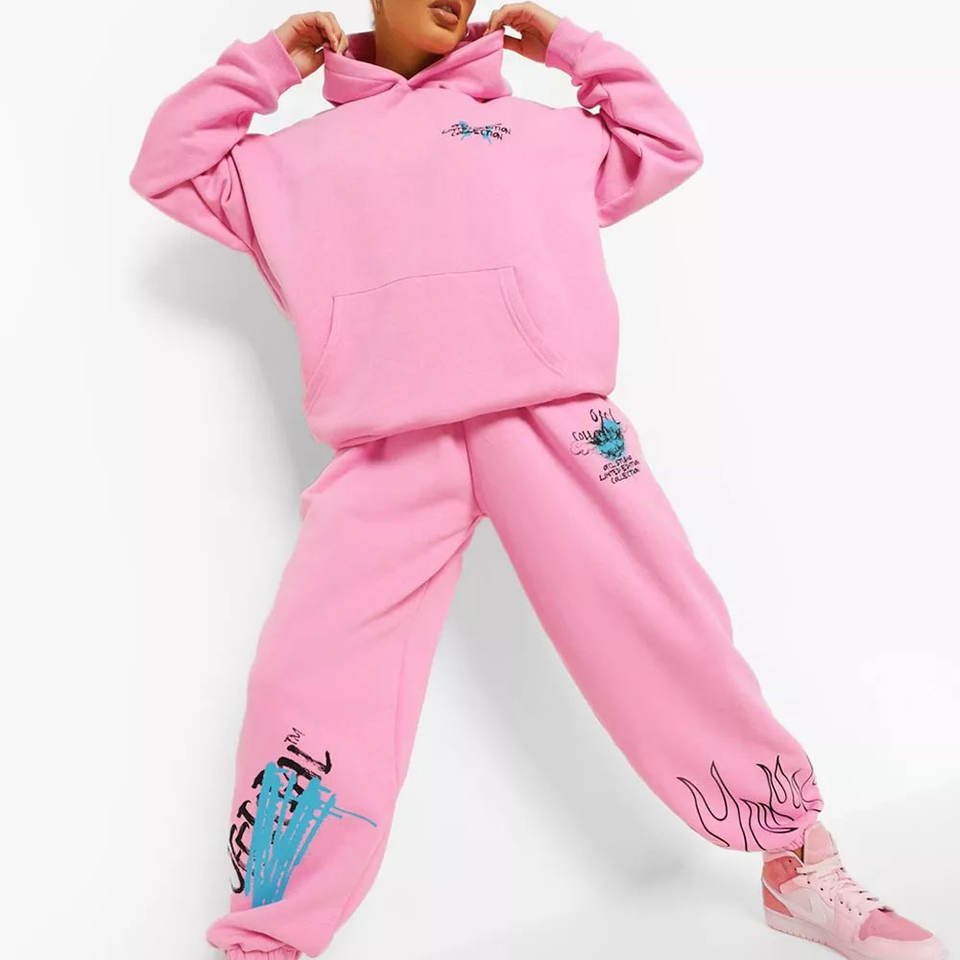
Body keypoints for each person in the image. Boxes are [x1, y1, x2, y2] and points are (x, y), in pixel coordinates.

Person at [128, 3, 947, 959]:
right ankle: (270, 933)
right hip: (388, 448)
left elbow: (664, 142)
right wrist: (271, 63)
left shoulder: (540, 133)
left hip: (555, 426)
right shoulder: (291, 161)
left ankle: (796, 863)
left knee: (666, 628)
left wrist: (568, 48)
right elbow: (169, 164)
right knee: (311, 675)